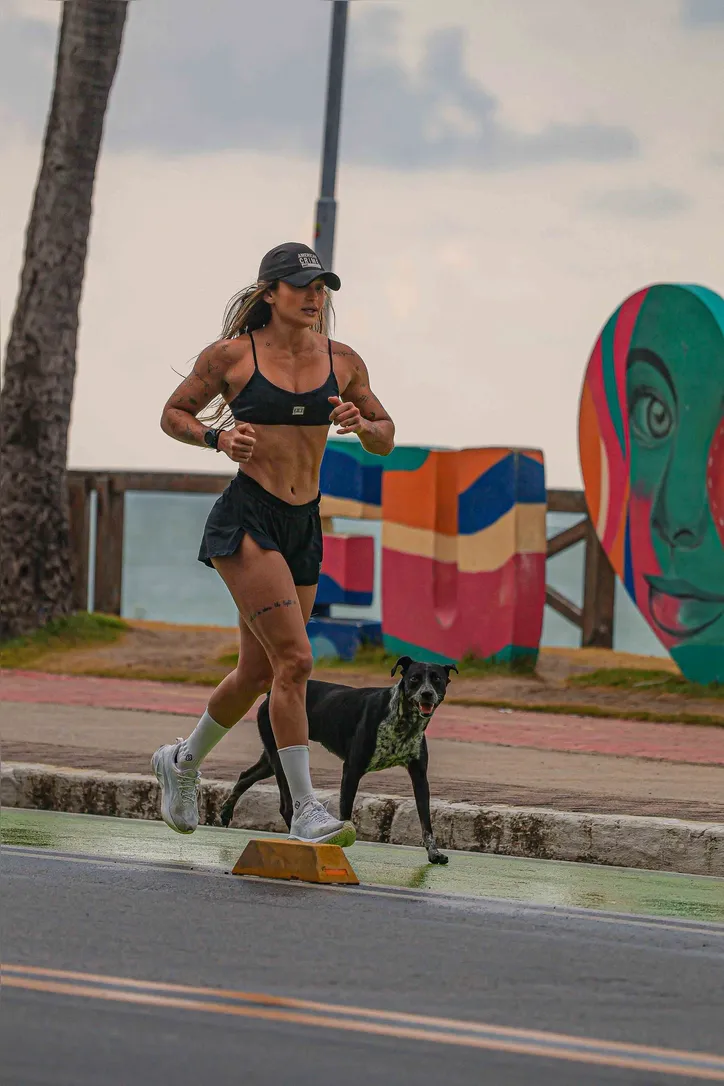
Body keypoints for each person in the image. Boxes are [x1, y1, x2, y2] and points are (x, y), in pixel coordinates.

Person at [152, 242, 395, 845]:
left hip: (302, 523)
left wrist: (363, 428)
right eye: (301, 287)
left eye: (321, 288)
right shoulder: (233, 357)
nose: (315, 298)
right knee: (296, 662)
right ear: (269, 293)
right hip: (249, 520)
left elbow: (386, 433)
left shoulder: (344, 362)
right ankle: (305, 808)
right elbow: (173, 413)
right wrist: (216, 438)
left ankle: (181, 761)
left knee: (258, 671)